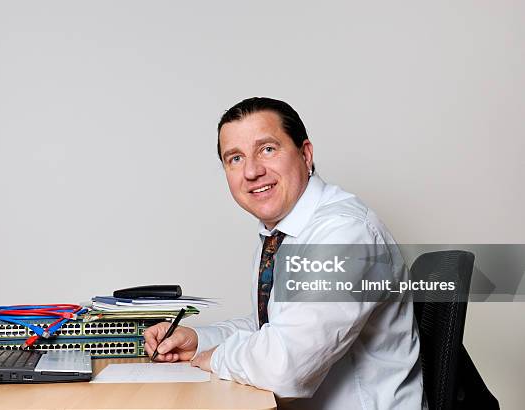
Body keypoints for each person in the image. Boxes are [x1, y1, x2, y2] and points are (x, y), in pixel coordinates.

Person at [144, 97, 425, 409]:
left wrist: (217, 357)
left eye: (267, 149)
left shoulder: (344, 234)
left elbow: (283, 367)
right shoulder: (281, 233)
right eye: (235, 158)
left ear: (305, 154)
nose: (251, 171)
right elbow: (272, 326)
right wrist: (200, 341)